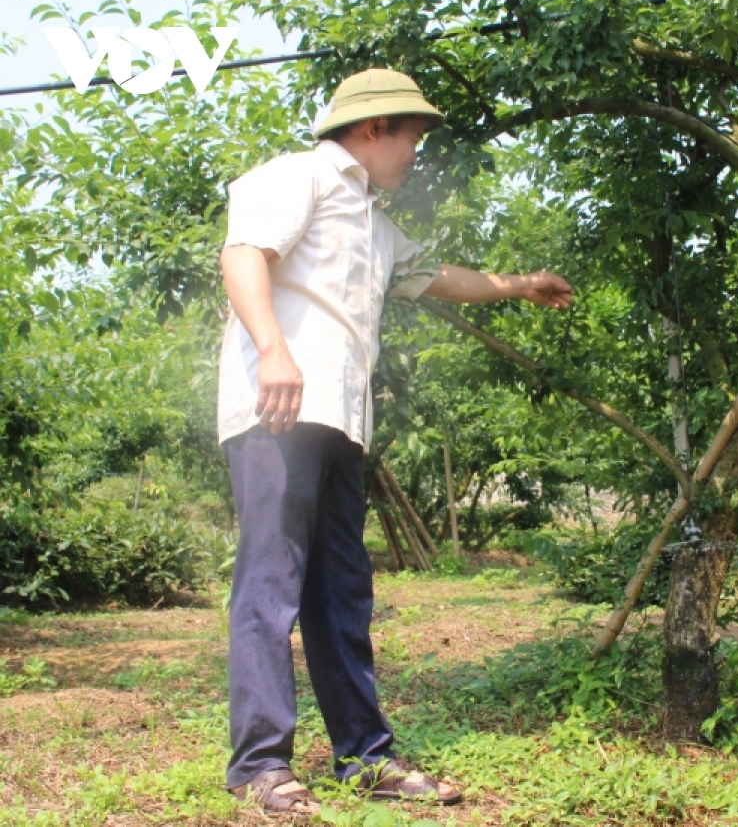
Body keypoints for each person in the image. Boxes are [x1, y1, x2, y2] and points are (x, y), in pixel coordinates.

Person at [217, 68, 573, 816]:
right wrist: (274, 349)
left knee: (342, 592)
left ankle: (364, 758)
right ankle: (260, 766)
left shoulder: (373, 224)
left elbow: (437, 276)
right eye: (413, 135)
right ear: (375, 129)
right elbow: (244, 255)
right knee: (271, 586)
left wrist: (518, 284)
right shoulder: (300, 177)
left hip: (342, 421)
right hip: (280, 407)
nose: (417, 152)